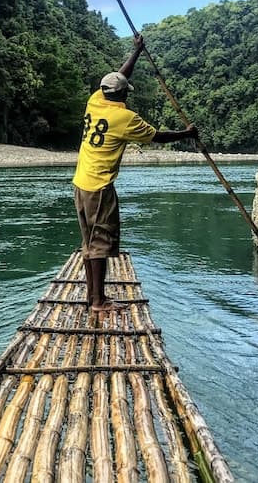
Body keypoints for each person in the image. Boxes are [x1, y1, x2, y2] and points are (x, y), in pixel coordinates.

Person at [73, 35, 199, 313]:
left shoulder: (94, 100)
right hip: (100, 188)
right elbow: (159, 137)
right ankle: (98, 301)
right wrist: (187, 134)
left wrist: (137, 52)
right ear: (122, 95)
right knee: (100, 244)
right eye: (126, 91)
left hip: (81, 184)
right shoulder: (125, 119)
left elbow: (119, 76)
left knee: (89, 244)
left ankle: (91, 296)